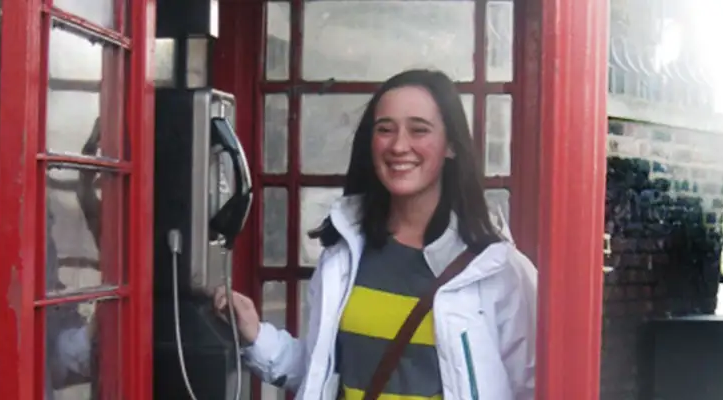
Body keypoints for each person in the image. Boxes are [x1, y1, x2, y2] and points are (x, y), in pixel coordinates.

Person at [214, 69, 537, 400]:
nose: (399, 145)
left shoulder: (496, 270)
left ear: (451, 145)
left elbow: (533, 386)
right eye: (385, 129)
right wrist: (255, 336)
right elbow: (321, 371)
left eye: (419, 130)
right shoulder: (344, 256)